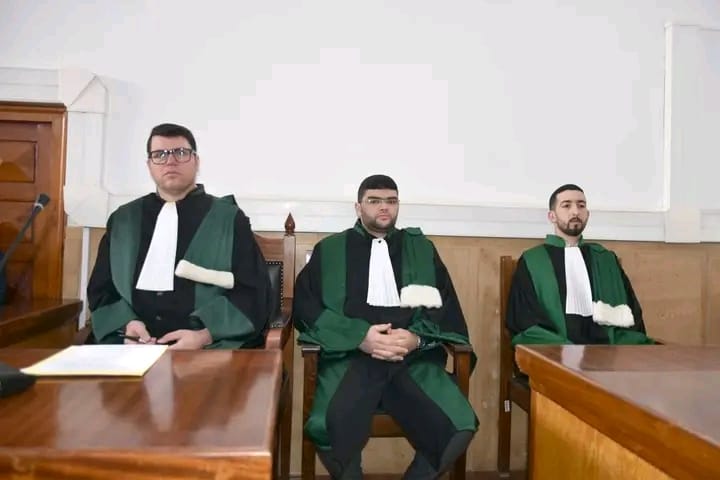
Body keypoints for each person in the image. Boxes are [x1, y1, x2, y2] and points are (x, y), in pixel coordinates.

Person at [293, 174, 477, 479]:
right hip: (350, 357)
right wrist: (359, 337)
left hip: (411, 359)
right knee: (326, 424)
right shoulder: (330, 249)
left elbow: (444, 306)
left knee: (460, 423)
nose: (384, 207)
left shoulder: (421, 249)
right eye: (374, 201)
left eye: (391, 201)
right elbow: (307, 308)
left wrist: (416, 339)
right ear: (358, 207)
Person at [87, 123, 272, 349]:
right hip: (132, 344)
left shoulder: (228, 218)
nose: (170, 161)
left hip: (207, 349)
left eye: (181, 153)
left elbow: (253, 291)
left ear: (196, 161)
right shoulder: (123, 220)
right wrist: (127, 325)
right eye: (160, 155)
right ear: (149, 165)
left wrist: (205, 335)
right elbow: (102, 289)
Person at [507, 184, 653, 345]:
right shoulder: (533, 261)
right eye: (566, 205)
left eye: (581, 205)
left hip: (606, 351)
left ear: (587, 215)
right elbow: (524, 320)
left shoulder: (605, 259)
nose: (575, 211)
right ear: (552, 216)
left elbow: (632, 314)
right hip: (556, 350)